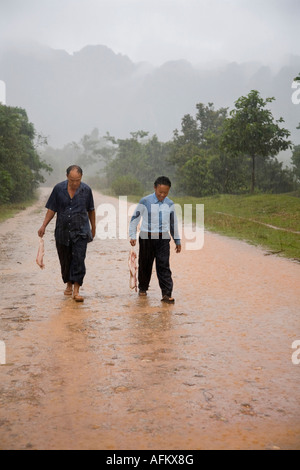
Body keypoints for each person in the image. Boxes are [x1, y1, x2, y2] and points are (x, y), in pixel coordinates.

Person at [38, 165, 96, 302]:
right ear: (67, 177)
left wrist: (93, 228)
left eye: (78, 180)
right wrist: (44, 225)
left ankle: (76, 290)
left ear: (81, 178)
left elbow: (91, 210)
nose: (75, 183)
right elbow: (52, 209)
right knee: (65, 260)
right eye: (72, 180)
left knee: (79, 259)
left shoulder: (86, 190)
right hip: (62, 232)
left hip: (81, 231)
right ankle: (68, 284)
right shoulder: (58, 189)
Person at [129, 176, 181, 304]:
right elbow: (135, 218)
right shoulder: (145, 201)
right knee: (145, 264)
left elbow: (173, 223)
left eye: (165, 193)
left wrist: (177, 240)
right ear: (155, 188)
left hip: (163, 238)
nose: (162, 195)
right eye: (160, 192)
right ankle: (143, 288)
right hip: (146, 237)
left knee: (163, 265)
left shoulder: (170, 204)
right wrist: (132, 235)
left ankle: (166, 293)